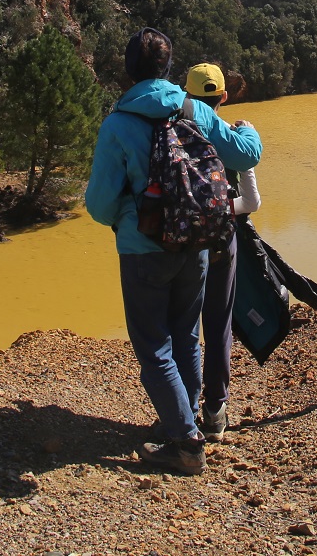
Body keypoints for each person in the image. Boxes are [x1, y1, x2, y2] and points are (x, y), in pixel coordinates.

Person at [84, 28, 261, 476]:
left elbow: (99, 204)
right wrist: (251, 131)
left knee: (153, 344)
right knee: (185, 335)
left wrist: (128, 215)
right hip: (197, 244)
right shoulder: (195, 110)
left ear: (128, 71)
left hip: (143, 249)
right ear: (168, 69)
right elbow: (246, 155)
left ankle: (185, 440)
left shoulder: (118, 123)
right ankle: (185, 420)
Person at [183, 63, 261, 443]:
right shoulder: (226, 135)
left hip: (177, 239)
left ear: (185, 95)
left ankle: (181, 413)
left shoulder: (169, 128)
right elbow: (250, 175)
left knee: (180, 326)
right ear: (223, 97)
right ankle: (214, 412)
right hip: (219, 238)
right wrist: (248, 130)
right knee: (218, 326)